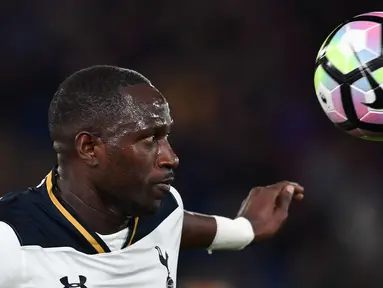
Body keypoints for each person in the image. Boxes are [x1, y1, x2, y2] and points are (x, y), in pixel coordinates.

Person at [0, 65, 304, 288]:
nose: (170, 157)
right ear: (89, 148)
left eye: (166, 137)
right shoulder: (12, 239)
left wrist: (246, 229)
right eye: (149, 139)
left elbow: (178, 225)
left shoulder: (164, 209)